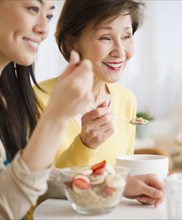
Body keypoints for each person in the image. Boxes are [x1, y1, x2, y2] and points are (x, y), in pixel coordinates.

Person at [0, 1, 163, 219]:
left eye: (48, 16)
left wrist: (118, 185)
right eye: (32, 9)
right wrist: (57, 115)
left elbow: (27, 181)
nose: (43, 29)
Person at [35, 0, 143, 168]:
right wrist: (85, 145)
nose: (121, 51)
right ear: (72, 43)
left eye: (126, 36)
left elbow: (119, 178)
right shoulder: (37, 100)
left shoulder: (127, 100)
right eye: (105, 37)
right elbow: (36, 185)